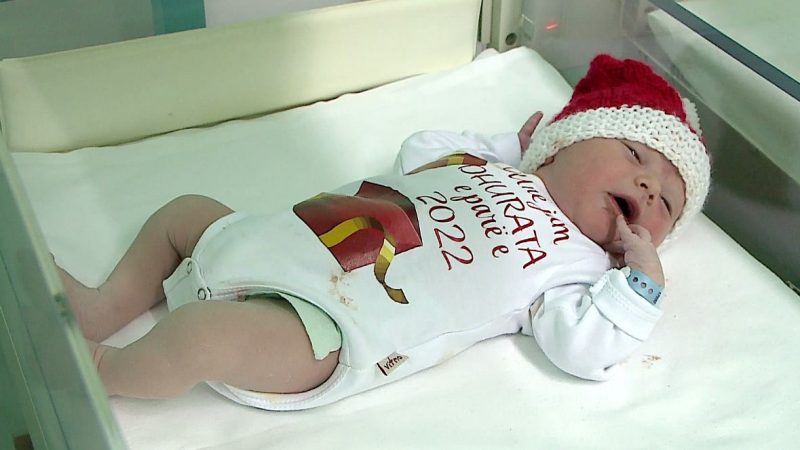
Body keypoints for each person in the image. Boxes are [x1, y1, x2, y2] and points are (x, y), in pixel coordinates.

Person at [57, 54, 710, 410]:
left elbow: (582, 349)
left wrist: (639, 284)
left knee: (203, 336)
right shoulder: (486, 166)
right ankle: (105, 306)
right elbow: (420, 150)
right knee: (185, 212)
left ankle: (105, 369)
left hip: (333, 326)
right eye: (634, 154)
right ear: (557, 147)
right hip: (288, 239)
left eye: (668, 202)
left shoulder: (578, 269)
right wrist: (508, 148)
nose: (650, 186)